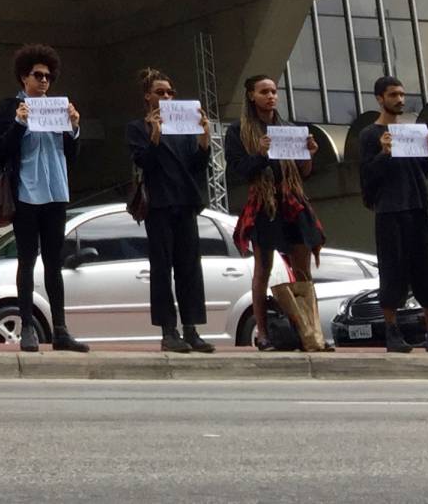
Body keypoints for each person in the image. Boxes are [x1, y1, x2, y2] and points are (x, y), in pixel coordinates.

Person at [0, 44, 87, 353]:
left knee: (54, 263)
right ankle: (28, 326)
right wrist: (18, 124)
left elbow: (72, 156)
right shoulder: (9, 108)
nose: (44, 81)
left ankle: (60, 329)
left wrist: (74, 128)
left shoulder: (58, 107)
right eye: (38, 75)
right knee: (27, 261)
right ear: (24, 76)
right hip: (26, 194)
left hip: (56, 192)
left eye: (48, 76)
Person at [357, 75, 428, 354]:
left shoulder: (411, 132)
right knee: (393, 270)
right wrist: (384, 153)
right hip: (389, 210)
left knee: (427, 270)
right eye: (393, 95)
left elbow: (420, 174)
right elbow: (367, 177)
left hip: (416, 206)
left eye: (402, 94)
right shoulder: (370, 135)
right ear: (380, 98)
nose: (399, 99)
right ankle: (392, 332)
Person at [225, 72, 324, 351]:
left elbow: (304, 173)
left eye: (274, 91)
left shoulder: (288, 128)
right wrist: (261, 153)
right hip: (264, 203)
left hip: (292, 201)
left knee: (302, 269)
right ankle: (264, 333)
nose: (271, 96)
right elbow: (240, 170)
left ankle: (310, 331)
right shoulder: (238, 131)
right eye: (264, 92)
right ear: (251, 96)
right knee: (263, 268)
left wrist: (309, 154)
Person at [126, 67, 214, 354]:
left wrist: (203, 141)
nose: (166, 96)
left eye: (170, 92)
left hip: (185, 201)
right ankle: (168, 331)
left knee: (190, 268)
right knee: (162, 269)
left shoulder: (185, 125)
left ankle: (192, 329)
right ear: (148, 97)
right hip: (159, 204)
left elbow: (198, 166)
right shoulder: (137, 128)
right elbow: (143, 162)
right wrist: (154, 135)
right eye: (160, 92)